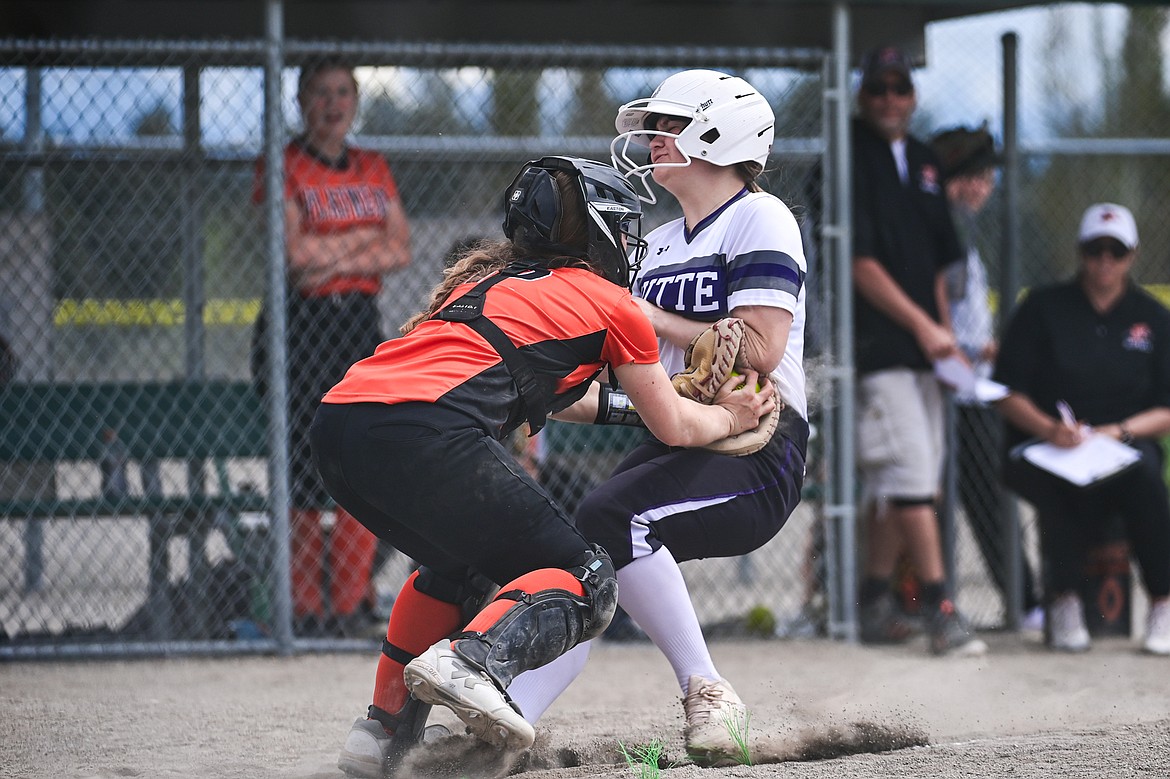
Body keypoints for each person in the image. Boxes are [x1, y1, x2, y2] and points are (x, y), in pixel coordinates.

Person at [314, 155, 776, 777]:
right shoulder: (611, 301)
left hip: (341, 427)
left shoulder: (483, 284)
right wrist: (732, 417)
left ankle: (381, 735)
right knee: (585, 575)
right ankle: (474, 662)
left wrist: (658, 403)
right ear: (599, 231)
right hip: (426, 430)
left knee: (456, 566)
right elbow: (674, 425)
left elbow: (564, 396)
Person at [506, 69, 811, 766]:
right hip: (683, 430)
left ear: (721, 132)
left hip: (757, 443)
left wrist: (642, 315)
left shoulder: (760, 216)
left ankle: (710, 691)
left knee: (616, 516)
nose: (652, 139)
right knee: (582, 553)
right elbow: (631, 373)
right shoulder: (661, 240)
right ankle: (511, 711)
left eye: (670, 125)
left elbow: (759, 350)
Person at [251, 56, 412, 638]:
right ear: (301, 101)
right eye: (321, 92)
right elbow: (295, 263)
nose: (333, 103)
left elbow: (401, 248)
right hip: (297, 326)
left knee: (357, 455)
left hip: (355, 325)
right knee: (299, 462)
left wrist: (333, 253)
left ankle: (347, 606)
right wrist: (363, 242)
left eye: (344, 91)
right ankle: (303, 612)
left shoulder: (371, 164)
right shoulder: (284, 164)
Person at [850, 46, 986, 655]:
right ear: (861, 95)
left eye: (899, 88)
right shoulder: (849, 152)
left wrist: (940, 331)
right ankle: (939, 605)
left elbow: (936, 259)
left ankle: (873, 598)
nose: (888, 98)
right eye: (877, 88)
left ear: (912, 95)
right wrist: (919, 325)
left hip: (925, 348)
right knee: (908, 475)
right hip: (877, 346)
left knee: (909, 480)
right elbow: (859, 264)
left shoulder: (926, 160)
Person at [993, 202, 1170, 655]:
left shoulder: (1152, 316)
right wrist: (1051, 429)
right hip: (1047, 442)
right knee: (1063, 484)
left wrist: (1116, 432)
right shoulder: (1043, 308)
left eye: (1116, 251)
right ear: (1080, 252)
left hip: (1123, 443)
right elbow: (1006, 392)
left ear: (1132, 255)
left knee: (1148, 478)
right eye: (1095, 250)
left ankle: (1163, 603)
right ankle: (1064, 599)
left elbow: (1166, 408)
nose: (1105, 260)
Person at [929, 124, 1043, 630]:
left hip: (973, 384)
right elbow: (941, 314)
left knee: (983, 497)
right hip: (958, 387)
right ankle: (1012, 600)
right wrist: (974, 350)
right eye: (968, 176)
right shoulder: (942, 226)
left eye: (985, 177)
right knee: (967, 498)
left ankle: (1023, 599)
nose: (980, 187)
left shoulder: (958, 227)